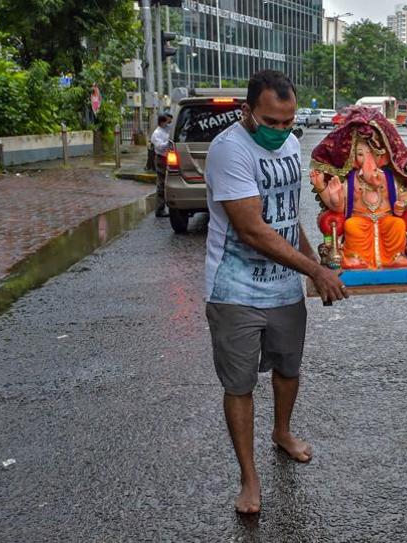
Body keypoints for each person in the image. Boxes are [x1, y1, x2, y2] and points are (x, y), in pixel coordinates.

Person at [203, 70, 347, 514]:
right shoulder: (229, 151)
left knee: (288, 369)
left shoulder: (287, 143)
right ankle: (249, 477)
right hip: (235, 290)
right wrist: (315, 272)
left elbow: (285, 221)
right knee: (241, 384)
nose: (282, 130)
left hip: (284, 289)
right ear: (246, 111)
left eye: (289, 121)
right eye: (272, 121)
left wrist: (313, 263)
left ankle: (282, 432)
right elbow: (252, 230)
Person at [150, 113, 173, 217]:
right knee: (161, 184)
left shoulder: (167, 129)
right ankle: (159, 209)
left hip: (169, 158)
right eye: (168, 121)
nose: (169, 123)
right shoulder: (157, 133)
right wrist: (169, 142)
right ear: (162, 121)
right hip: (161, 159)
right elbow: (159, 147)